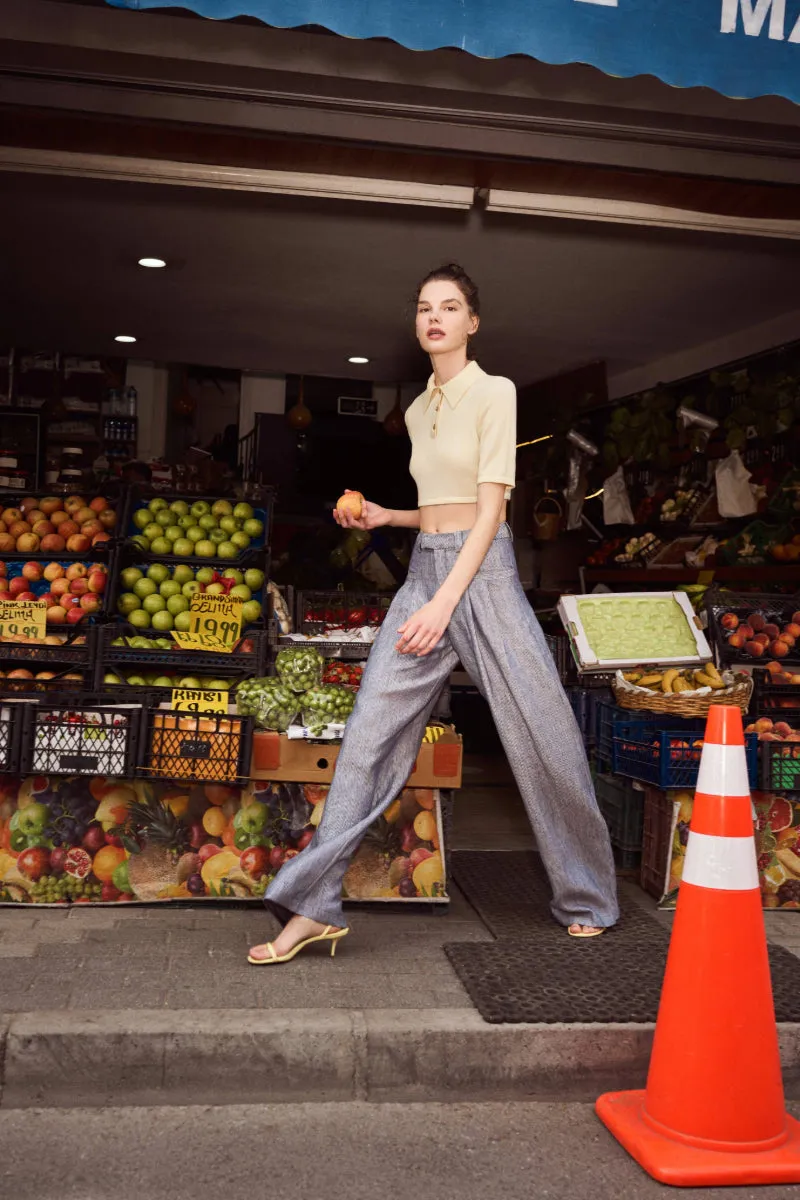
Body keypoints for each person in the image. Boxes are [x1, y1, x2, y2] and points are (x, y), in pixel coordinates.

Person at [248, 263, 619, 965]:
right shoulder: (419, 409)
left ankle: (588, 896)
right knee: (368, 736)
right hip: (427, 571)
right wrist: (389, 515)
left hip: (483, 579)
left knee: (545, 734)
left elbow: (488, 512)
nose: (435, 318)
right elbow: (440, 509)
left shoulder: (495, 392)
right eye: (424, 308)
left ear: (472, 322)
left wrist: (447, 602)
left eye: (450, 307)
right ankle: (312, 908)